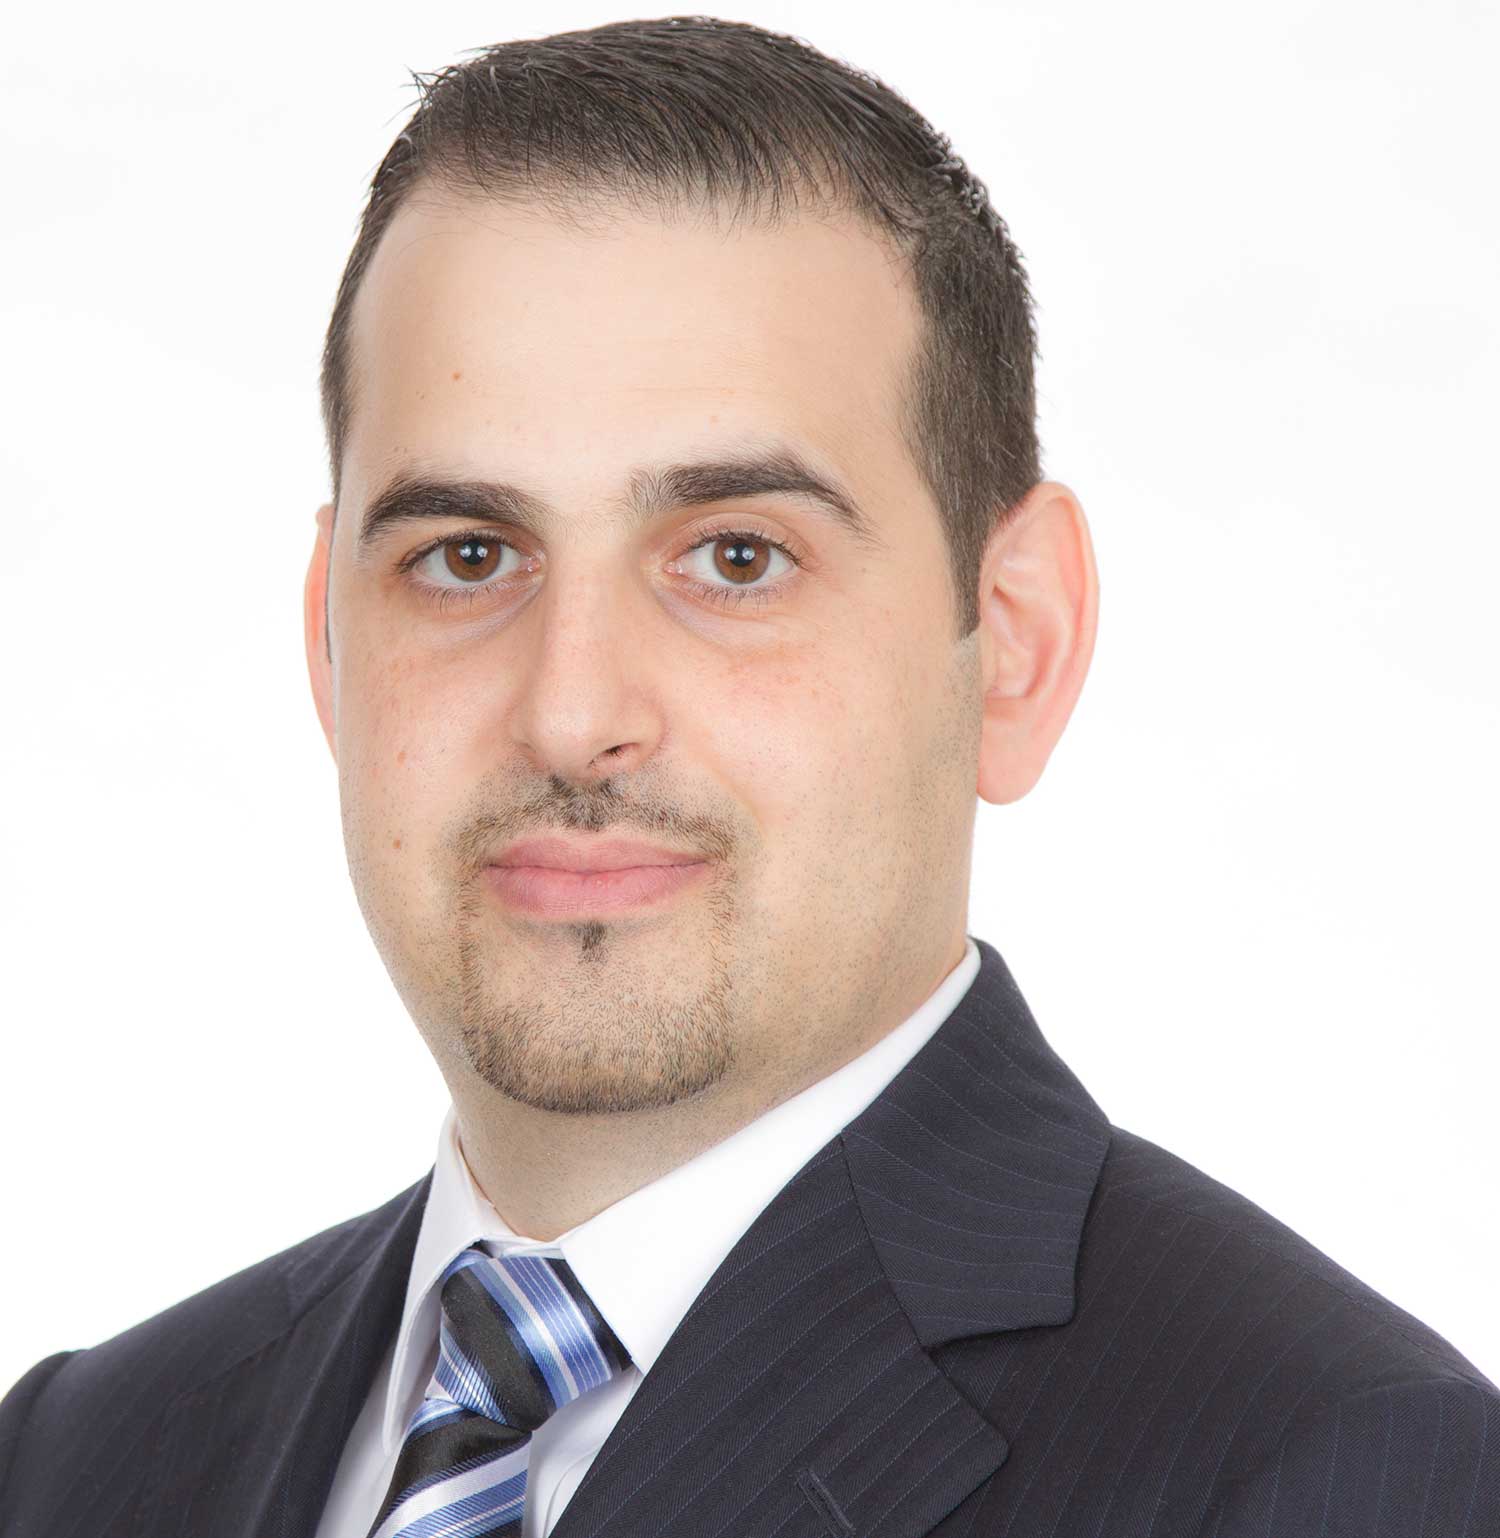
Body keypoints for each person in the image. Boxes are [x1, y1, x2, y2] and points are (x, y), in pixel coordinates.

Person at [2, 14, 1495, 1537]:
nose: (572, 712)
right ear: (329, 636)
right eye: (467, 555)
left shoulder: (1335, 1475)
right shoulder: (75, 1461)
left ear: (1020, 647)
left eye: (735, 556)